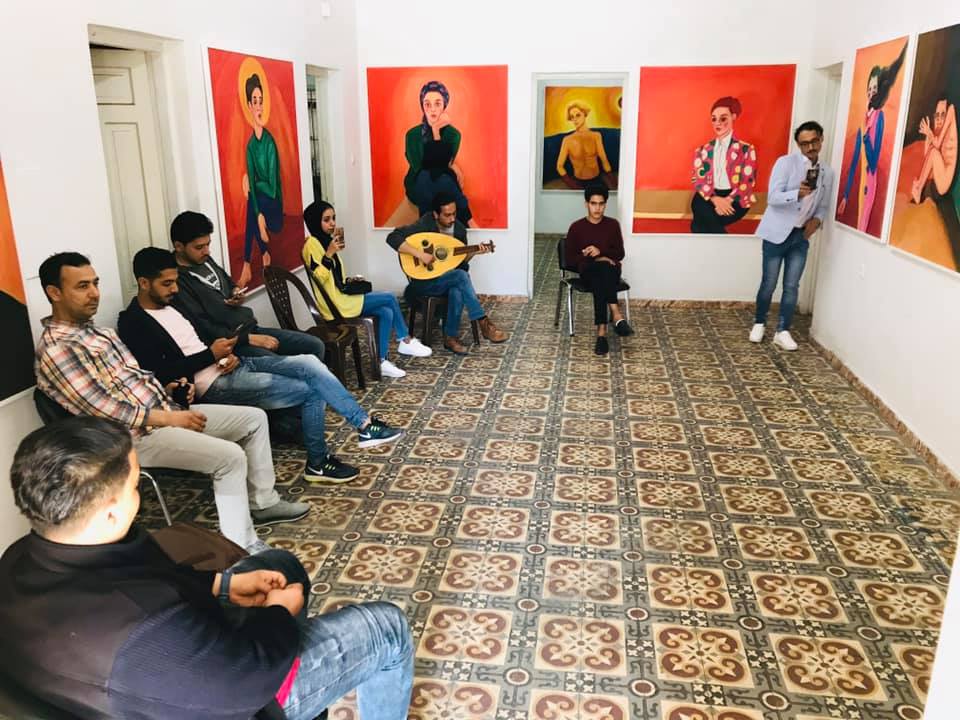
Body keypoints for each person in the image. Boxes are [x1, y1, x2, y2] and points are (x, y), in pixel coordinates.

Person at [0, 416, 414, 720]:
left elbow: (145, 581)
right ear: (109, 514)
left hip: (175, 661)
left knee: (280, 565)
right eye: (135, 485)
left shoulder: (20, 558)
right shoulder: (144, 636)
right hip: (240, 695)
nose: (138, 494)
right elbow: (244, 679)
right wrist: (278, 613)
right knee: (387, 628)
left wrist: (221, 585)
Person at [34, 252, 308, 551]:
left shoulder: (99, 333)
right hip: (130, 439)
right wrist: (169, 418)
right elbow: (103, 408)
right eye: (82, 286)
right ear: (54, 293)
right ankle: (241, 547)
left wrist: (169, 388)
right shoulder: (58, 348)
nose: (94, 293)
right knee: (229, 457)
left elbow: (134, 380)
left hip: (165, 413)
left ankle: (263, 502)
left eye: (95, 283)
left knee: (253, 419)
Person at [118, 248, 403, 483]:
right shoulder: (133, 322)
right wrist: (211, 356)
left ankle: (364, 425)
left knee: (308, 362)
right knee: (310, 390)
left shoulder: (173, 305)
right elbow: (158, 372)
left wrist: (223, 353)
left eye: (175, 281)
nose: (174, 289)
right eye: (167, 283)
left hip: (229, 365)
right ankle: (318, 462)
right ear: (144, 283)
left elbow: (202, 335)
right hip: (212, 385)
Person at [170, 210, 326, 362]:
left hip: (250, 327)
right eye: (199, 247)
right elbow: (204, 328)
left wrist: (236, 291)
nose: (207, 251)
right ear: (178, 246)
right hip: (232, 344)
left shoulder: (204, 260)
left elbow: (228, 282)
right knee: (290, 367)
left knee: (315, 345)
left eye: (208, 244)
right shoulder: (175, 281)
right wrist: (248, 339)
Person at [302, 201, 432, 379]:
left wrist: (350, 280)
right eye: (326, 220)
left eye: (333, 218)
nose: (332, 223)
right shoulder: (312, 245)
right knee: (388, 297)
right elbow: (319, 277)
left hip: (341, 297)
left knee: (386, 312)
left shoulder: (325, 242)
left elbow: (334, 278)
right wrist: (329, 254)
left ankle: (381, 361)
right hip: (335, 304)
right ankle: (405, 339)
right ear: (314, 221)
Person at [386, 192, 508, 355]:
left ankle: (450, 339)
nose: (452, 219)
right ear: (436, 214)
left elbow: (461, 265)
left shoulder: (458, 229)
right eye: (447, 215)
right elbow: (392, 237)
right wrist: (420, 254)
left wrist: (473, 252)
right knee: (459, 278)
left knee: (457, 286)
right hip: (423, 283)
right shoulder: (425, 223)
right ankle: (483, 322)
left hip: (447, 281)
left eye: (454, 214)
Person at [750, 121, 834, 351]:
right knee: (769, 283)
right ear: (798, 145)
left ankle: (783, 330)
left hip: (800, 236)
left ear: (821, 139)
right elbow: (773, 197)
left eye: (814, 141)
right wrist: (796, 193)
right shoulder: (786, 164)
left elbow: (824, 206)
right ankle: (759, 323)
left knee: (792, 285)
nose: (810, 147)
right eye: (804, 143)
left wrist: (815, 223)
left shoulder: (827, 172)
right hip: (777, 233)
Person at [838, 43, 906, 232]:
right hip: (860, 184)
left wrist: (866, 133)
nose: (871, 91)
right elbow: (854, 161)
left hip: (870, 182)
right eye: (870, 86)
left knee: (863, 224)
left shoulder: (879, 117)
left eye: (875, 88)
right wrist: (845, 195)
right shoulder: (864, 118)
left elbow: (873, 162)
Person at [564, 184, 633, 355]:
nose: (597, 208)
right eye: (593, 203)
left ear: (605, 204)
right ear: (586, 204)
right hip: (588, 272)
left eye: (601, 204)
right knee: (601, 271)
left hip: (610, 271)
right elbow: (569, 260)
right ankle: (616, 314)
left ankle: (602, 333)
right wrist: (591, 256)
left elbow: (620, 253)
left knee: (603, 273)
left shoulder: (612, 225)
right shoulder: (576, 227)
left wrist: (601, 253)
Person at [239, 72, 283, 290]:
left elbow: (273, 185)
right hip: (261, 209)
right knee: (251, 204)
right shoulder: (249, 146)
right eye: (254, 101)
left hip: (274, 205)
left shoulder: (269, 142)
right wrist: (258, 215)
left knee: (252, 196)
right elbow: (254, 192)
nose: (258, 106)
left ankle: (253, 259)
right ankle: (253, 260)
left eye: (260, 101)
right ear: (249, 105)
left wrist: (252, 183)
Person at [690, 96, 758, 234]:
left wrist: (727, 200)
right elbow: (698, 180)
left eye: (723, 118)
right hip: (710, 196)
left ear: (733, 117)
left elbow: (747, 182)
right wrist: (715, 199)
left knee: (698, 224)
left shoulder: (746, 149)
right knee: (698, 202)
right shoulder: (702, 150)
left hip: (736, 198)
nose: (717, 123)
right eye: (714, 119)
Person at [409, 140, 476, 226]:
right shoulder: (445, 179)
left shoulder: (420, 176)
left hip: (426, 227)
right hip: (448, 229)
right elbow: (463, 208)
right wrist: (478, 232)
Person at [556, 102, 616, 190]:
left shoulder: (596, 136)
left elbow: (604, 160)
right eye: (572, 117)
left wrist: (613, 181)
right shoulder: (567, 140)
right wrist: (573, 185)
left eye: (578, 115)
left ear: (585, 114)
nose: (575, 119)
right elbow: (559, 166)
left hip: (596, 180)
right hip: (578, 181)